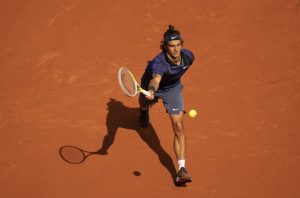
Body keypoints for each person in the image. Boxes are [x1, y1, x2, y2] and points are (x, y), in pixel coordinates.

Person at [138, 25, 194, 185]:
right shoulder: (159, 63)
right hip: (152, 85)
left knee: (178, 125)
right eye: (171, 46)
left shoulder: (189, 57)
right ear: (165, 47)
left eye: (178, 45)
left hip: (172, 89)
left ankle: (181, 169)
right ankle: (143, 111)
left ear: (182, 44)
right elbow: (155, 79)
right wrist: (151, 90)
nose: (176, 50)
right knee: (144, 103)